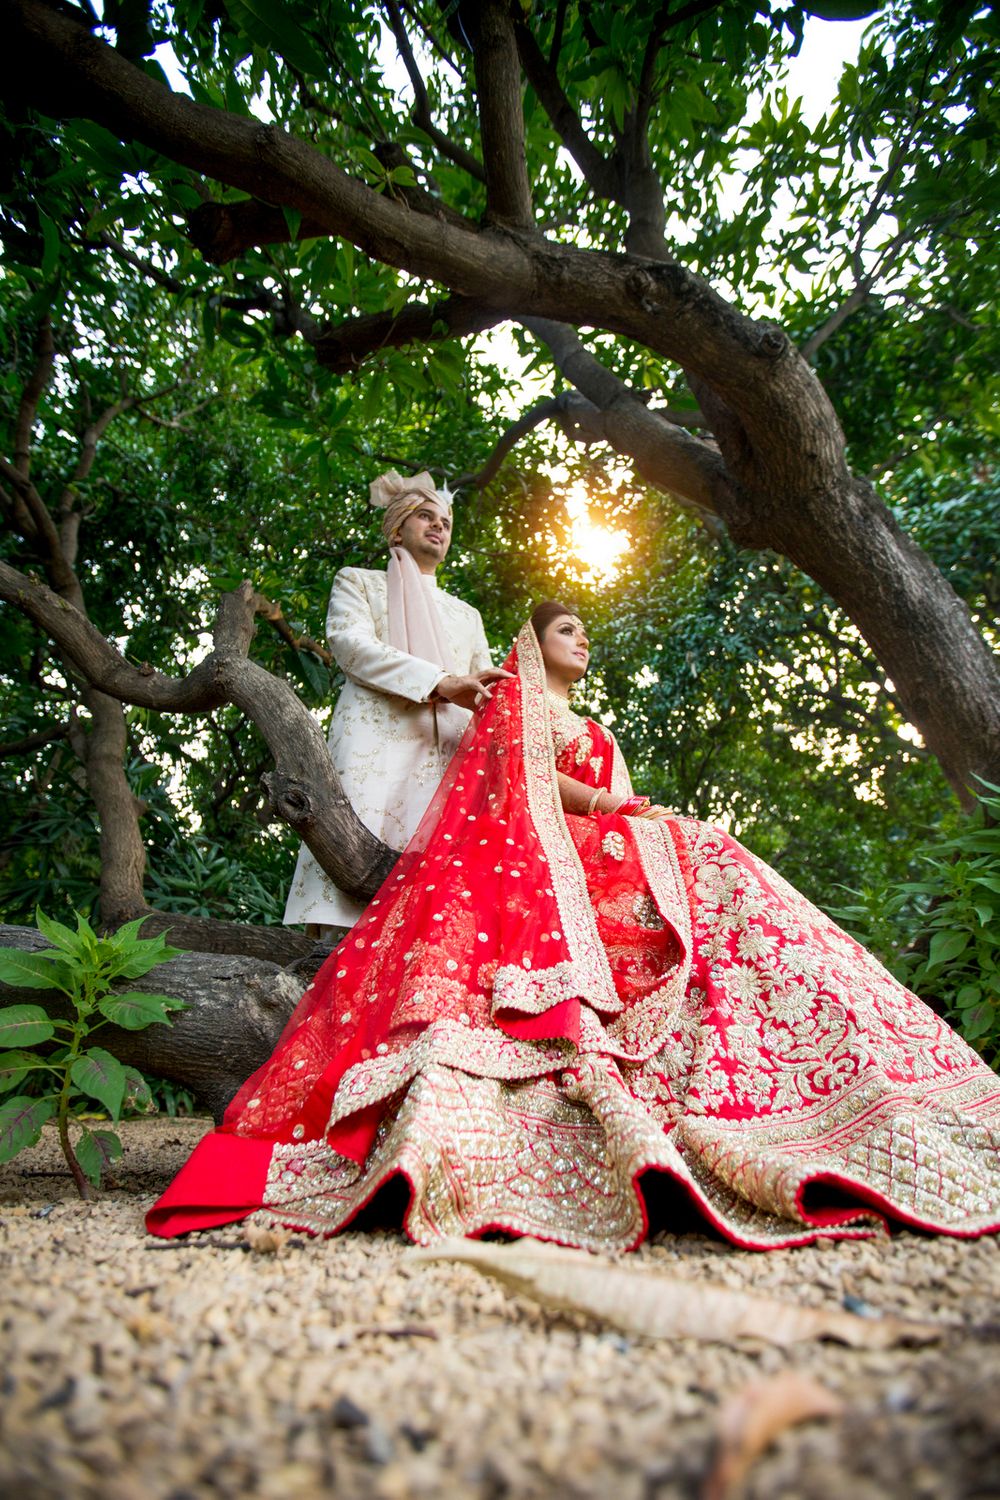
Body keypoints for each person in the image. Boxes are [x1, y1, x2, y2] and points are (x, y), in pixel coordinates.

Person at [150, 604, 1000, 1251]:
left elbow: (625, 797)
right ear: (531, 641)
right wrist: (608, 806)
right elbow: (514, 797)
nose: (581, 639)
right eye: (566, 628)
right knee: (701, 856)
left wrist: (630, 812)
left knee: (720, 866)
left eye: (586, 631)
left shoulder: (595, 727)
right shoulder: (516, 706)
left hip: (615, 840)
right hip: (547, 863)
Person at [283, 469, 504, 932]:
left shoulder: (467, 615)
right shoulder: (360, 582)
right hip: (374, 744)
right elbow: (350, 645)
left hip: (446, 754)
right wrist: (441, 681)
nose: (439, 527)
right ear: (397, 526)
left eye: (445, 521)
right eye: (426, 516)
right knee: (353, 853)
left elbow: (483, 688)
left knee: (433, 897)